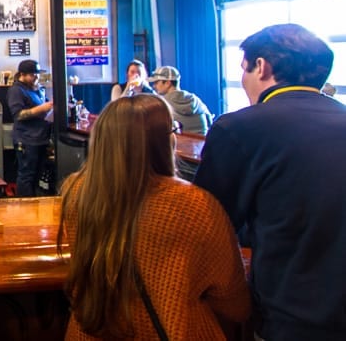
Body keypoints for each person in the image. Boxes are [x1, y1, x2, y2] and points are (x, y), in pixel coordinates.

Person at [195, 23, 346, 340]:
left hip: (291, 319)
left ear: (261, 66)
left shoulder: (238, 128)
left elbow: (207, 227)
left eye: (244, 69)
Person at [58, 94, 250, 340]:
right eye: (173, 129)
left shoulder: (75, 192)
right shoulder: (193, 205)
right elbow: (235, 303)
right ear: (163, 141)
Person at [7, 59, 54, 197]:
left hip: (40, 138)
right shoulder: (16, 90)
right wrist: (42, 108)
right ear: (22, 74)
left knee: (37, 176)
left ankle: (34, 204)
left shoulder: (37, 89)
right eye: (33, 75)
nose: (36, 77)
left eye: (38, 74)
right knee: (26, 176)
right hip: (26, 140)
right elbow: (18, 115)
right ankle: (24, 205)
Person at [147, 65, 213, 134]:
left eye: (156, 82)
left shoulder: (161, 104)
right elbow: (209, 121)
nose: (154, 86)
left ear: (167, 83)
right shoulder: (195, 100)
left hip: (178, 140)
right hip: (201, 140)